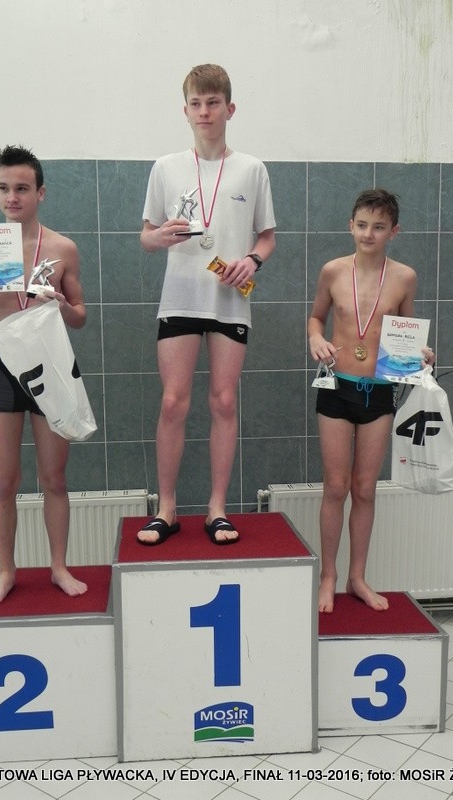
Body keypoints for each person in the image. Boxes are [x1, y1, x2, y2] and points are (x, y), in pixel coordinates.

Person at [137, 64, 276, 545]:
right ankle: (167, 507)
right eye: (196, 104)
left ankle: (217, 508)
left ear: (229, 109)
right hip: (180, 296)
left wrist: (253, 260)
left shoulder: (252, 169)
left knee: (224, 400)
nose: (204, 112)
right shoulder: (166, 167)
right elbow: (146, 236)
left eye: (213, 103)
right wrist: (158, 237)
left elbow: (267, 236)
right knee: (173, 401)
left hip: (229, 298)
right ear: (185, 110)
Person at [0, 145, 88, 603]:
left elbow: (80, 317)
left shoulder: (62, 248)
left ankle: (59, 567)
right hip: (1, 366)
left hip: (48, 364)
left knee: (54, 477)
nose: (11, 197)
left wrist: (61, 303)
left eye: (21, 188)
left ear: (40, 193)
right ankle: (6, 572)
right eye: (3, 188)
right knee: (3, 481)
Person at [308, 188, 435, 613]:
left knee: (364, 489)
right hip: (337, 387)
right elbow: (316, 318)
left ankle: (356, 577)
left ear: (393, 232)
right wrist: (314, 339)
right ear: (351, 225)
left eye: (378, 227)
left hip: (379, 392)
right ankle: (328, 576)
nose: (368, 233)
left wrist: (422, 355)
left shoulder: (404, 277)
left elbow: (408, 332)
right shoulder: (332, 271)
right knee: (335, 486)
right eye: (362, 225)